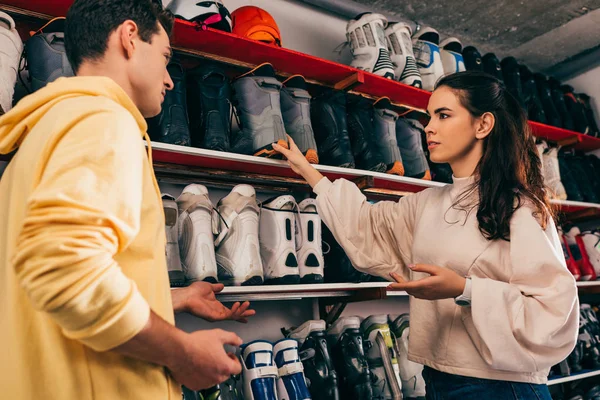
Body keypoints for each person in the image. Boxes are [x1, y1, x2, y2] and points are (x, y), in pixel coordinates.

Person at [0, 1, 254, 399]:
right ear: (130, 38)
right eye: (166, 57)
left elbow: (49, 275)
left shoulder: (42, 135)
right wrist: (183, 353)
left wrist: (174, 297)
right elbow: (65, 270)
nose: (170, 81)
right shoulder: (105, 122)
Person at [275, 71, 579, 399]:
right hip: (437, 381)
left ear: (483, 125)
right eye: (429, 116)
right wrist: (307, 171)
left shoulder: (519, 208)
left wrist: (464, 289)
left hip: (504, 388)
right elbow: (368, 225)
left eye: (444, 115)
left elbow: (554, 311)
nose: (429, 127)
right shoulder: (428, 203)